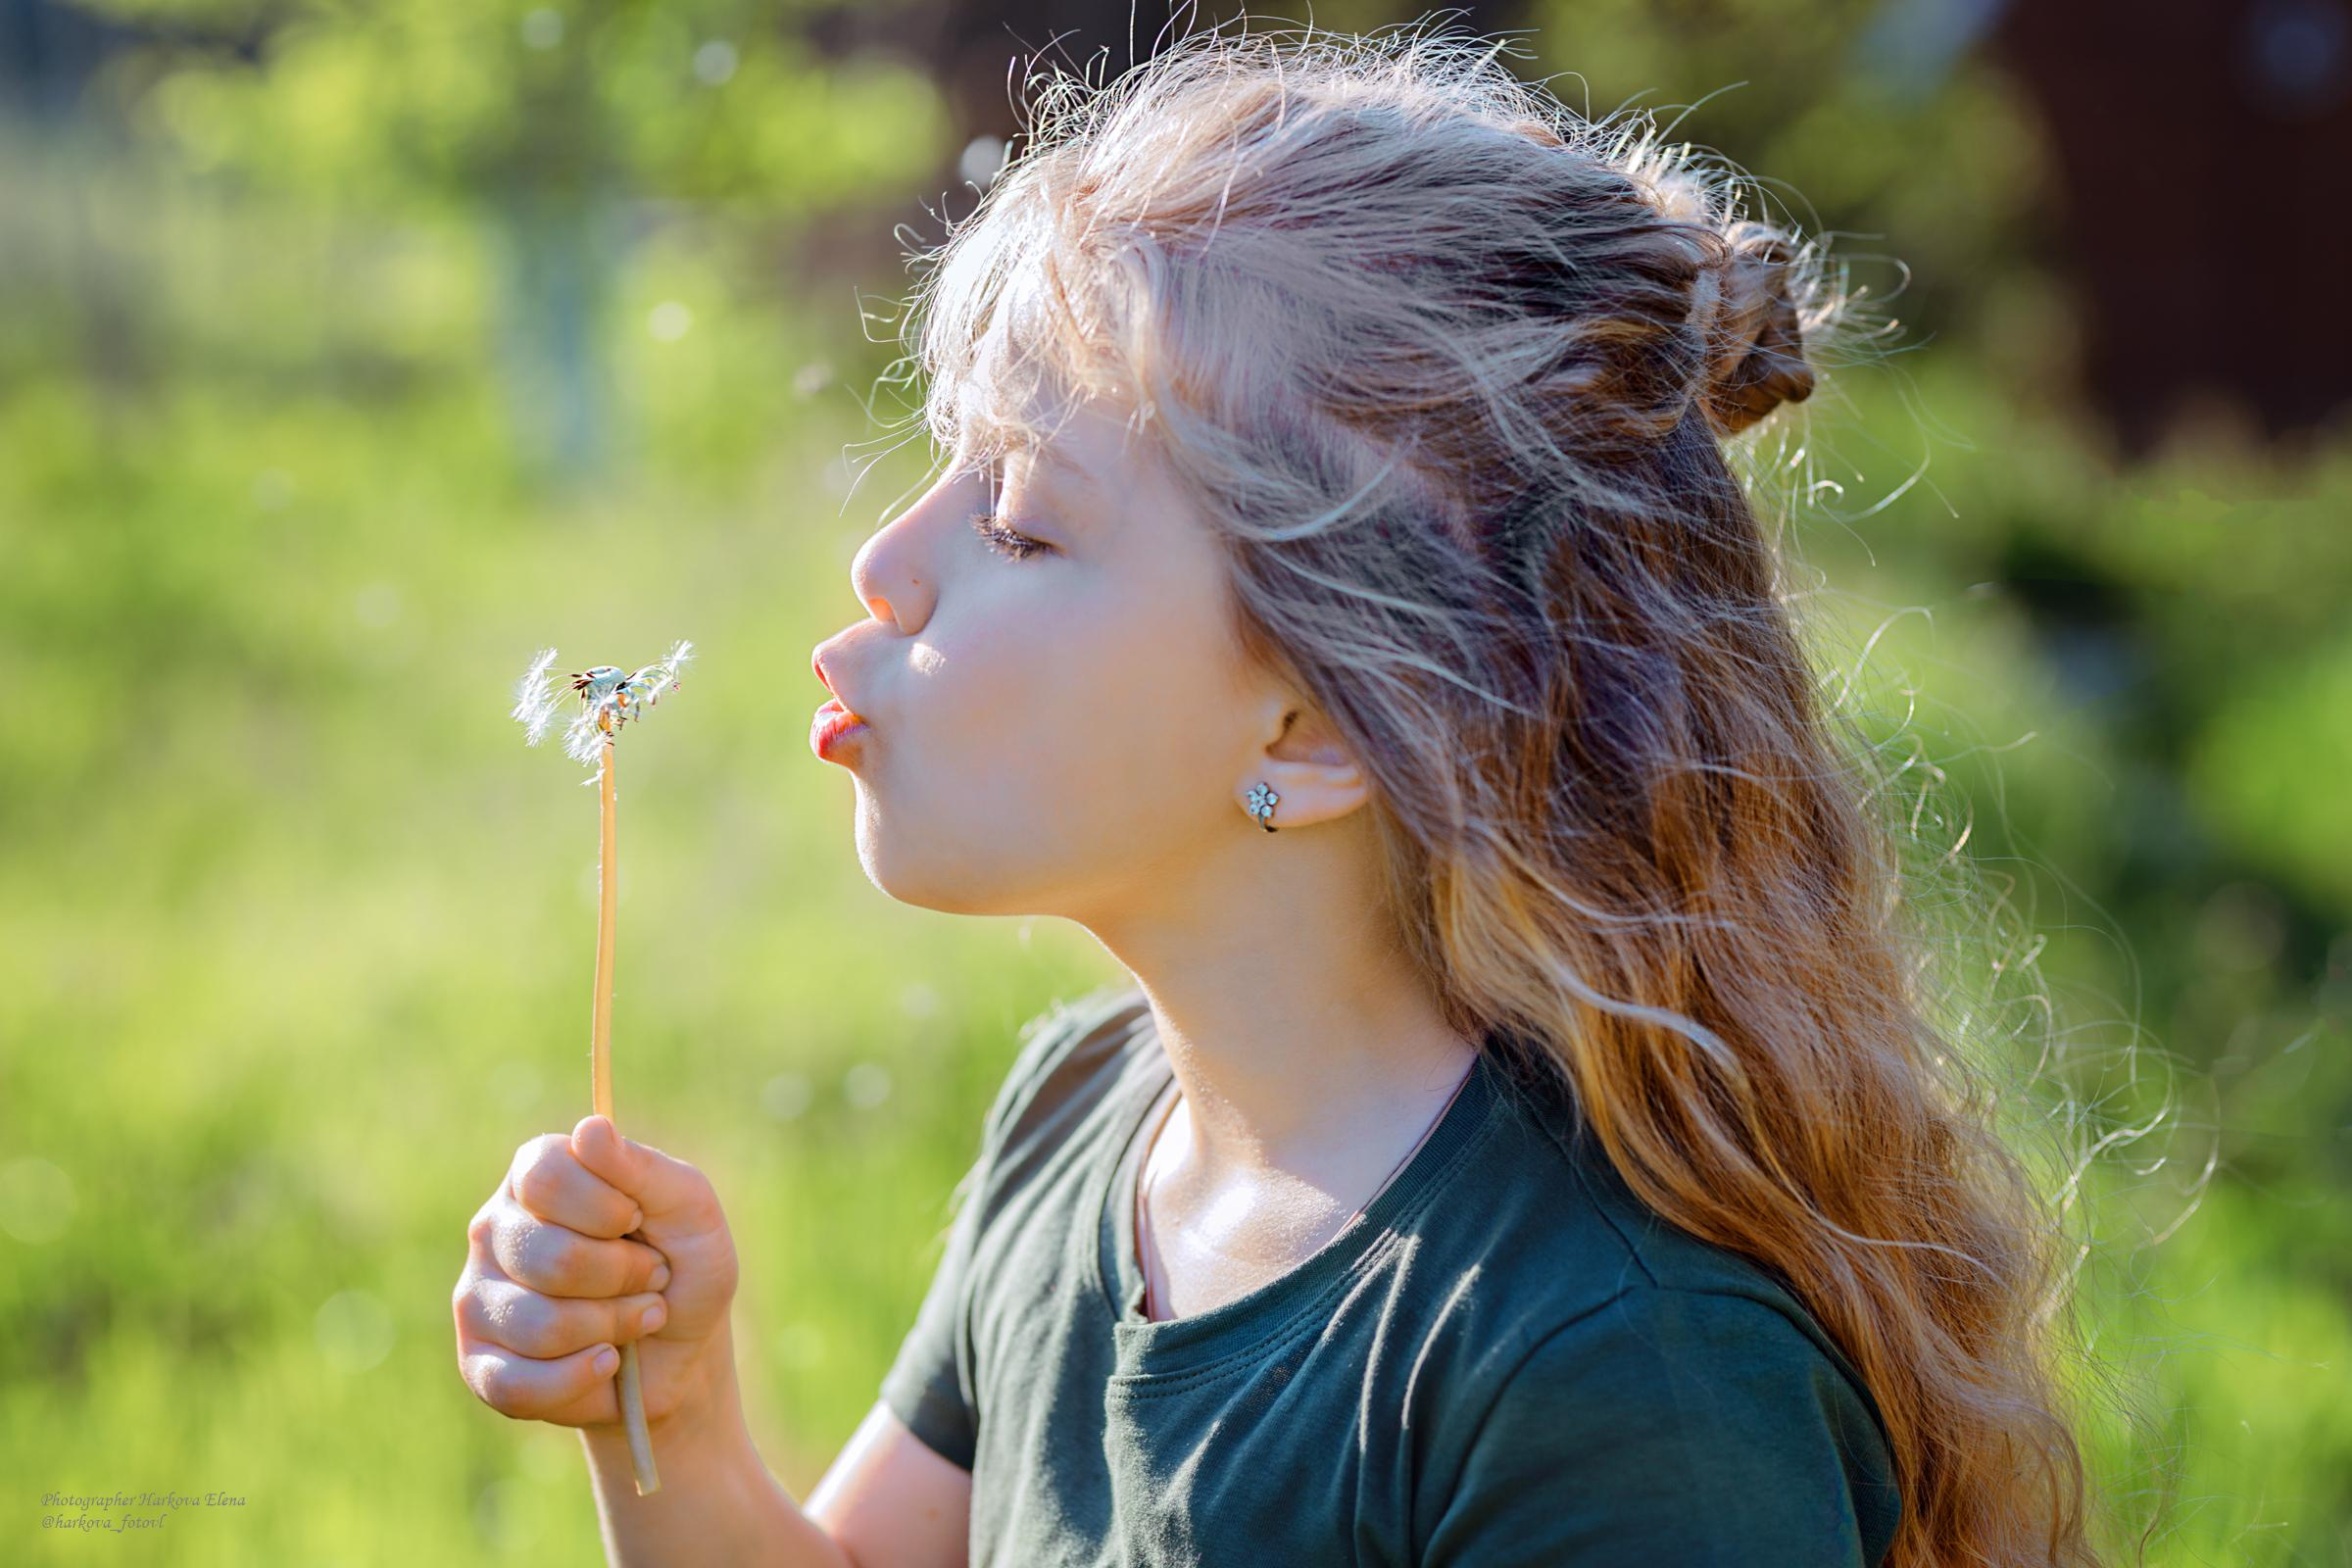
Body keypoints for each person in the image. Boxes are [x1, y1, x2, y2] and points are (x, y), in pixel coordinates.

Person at [454, 21, 2105, 1567]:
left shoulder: (1611, 1376)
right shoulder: (1088, 1116)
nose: (887, 563)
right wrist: (670, 1417)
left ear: (1317, 729)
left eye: (1023, 521)